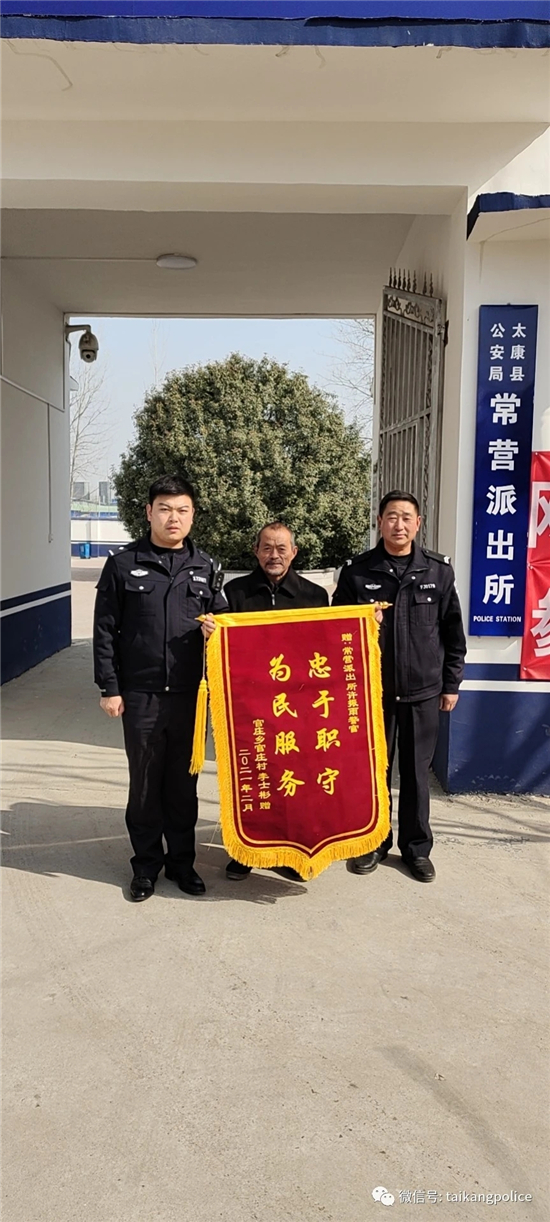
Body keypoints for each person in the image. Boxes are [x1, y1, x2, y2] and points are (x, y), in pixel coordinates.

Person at [93, 474, 227, 902]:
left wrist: (215, 631)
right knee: (146, 784)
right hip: (141, 695)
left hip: (190, 696)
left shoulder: (206, 567)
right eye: (165, 509)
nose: (174, 518)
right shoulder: (123, 565)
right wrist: (110, 687)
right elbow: (104, 631)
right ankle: (146, 866)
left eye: (182, 510)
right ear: (149, 512)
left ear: (193, 515)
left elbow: (227, 628)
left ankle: (182, 864)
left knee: (184, 785)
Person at [332, 490, 466, 883]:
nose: (399, 525)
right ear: (379, 522)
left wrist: (451, 684)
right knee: (374, 772)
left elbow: (452, 634)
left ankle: (416, 849)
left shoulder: (438, 572)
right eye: (392, 516)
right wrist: (360, 620)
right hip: (373, 694)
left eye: (407, 517)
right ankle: (372, 842)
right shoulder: (358, 572)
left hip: (423, 692)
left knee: (416, 775)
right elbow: (335, 628)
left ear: (418, 523)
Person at [202, 522, 329, 880]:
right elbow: (221, 650)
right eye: (267, 548)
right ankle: (245, 850)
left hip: (298, 710)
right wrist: (211, 633)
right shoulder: (235, 593)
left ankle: (291, 852)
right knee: (252, 778)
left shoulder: (315, 596)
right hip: (250, 708)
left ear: (294, 552)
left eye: (282, 548)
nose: (275, 555)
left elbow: (326, 649)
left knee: (293, 781)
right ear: (256, 552)